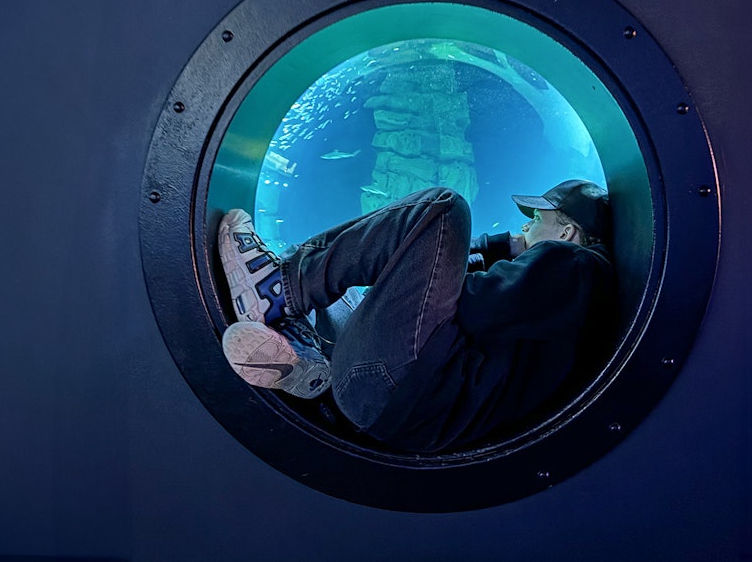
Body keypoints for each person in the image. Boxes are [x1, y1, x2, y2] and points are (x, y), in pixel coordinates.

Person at [217, 180, 616, 453]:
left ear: (566, 233)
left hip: (415, 385)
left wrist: (497, 246)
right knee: (348, 293)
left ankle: (279, 286)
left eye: (538, 219)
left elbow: (468, 303)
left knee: (443, 208)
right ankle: (309, 359)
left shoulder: (574, 263)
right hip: (393, 412)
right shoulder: (569, 296)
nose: (525, 224)